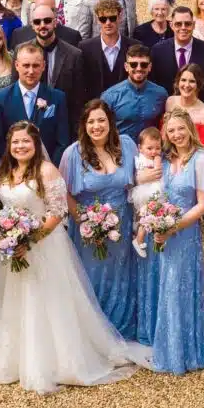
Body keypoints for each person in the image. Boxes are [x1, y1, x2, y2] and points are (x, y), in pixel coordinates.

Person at [0, 121, 152, 394]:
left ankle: (56, 362)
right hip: (15, 249)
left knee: (46, 302)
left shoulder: (47, 171)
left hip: (44, 245)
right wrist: (5, 236)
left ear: (36, 144)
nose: (20, 146)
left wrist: (29, 239)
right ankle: (15, 361)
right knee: (16, 301)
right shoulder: (6, 171)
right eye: (15, 142)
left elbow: (58, 212)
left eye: (26, 141)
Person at [59, 100, 140, 339]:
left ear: (110, 122)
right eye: (91, 121)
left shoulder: (127, 145)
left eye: (101, 120)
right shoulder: (73, 153)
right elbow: (63, 193)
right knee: (91, 279)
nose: (97, 126)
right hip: (87, 229)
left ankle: (121, 332)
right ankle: (93, 337)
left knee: (122, 277)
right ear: (84, 125)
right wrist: (86, 222)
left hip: (122, 225)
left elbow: (138, 181)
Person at [149, 107, 204, 374]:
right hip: (164, 234)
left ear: (190, 128)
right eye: (171, 130)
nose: (177, 135)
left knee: (182, 286)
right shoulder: (166, 160)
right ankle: (168, 349)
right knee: (166, 287)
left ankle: (187, 352)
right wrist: (154, 221)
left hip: (184, 234)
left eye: (181, 129)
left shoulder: (201, 158)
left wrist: (173, 227)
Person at [0, 44, 70, 163]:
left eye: (36, 66)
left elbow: (62, 141)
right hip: (13, 170)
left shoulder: (58, 97)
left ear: (43, 66)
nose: (31, 71)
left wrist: (49, 167)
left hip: (47, 169)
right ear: (16, 65)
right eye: (26, 65)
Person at [19, 0, 86, 133]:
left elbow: (79, 100)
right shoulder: (20, 51)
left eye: (47, 21)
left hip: (62, 126)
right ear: (32, 25)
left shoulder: (74, 55)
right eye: (37, 22)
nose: (42, 25)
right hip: (27, 127)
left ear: (55, 22)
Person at [150, 6, 204, 104]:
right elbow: (153, 84)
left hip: (199, 110)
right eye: (178, 24)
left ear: (193, 25)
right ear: (171, 25)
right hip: (167, 109)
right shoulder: (158, 51)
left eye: (187, 24)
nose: (183, 27)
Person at [101, 44, 168, 142]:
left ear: (150, 67)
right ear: (126, 67)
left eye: (144, 64)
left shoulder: (161, 94)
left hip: (152, 153)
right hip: (121, 152)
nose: (139, 68)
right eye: (133, 64)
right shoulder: (110, 96)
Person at [79, 0, 131, 99]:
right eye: (103, 19)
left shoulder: (133, 46)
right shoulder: (84, 48)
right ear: (97, 20)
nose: (108, 23)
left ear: (119, 17)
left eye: (112, 18)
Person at [130, 127, 164, 257]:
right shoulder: (139, 159)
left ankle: (140, 239)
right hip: (145, 192)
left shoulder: (155, 159)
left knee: (148, 217)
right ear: (140, 148)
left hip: (154, 190)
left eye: (157, 148)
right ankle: (138, 240)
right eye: (149, 148)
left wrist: (157, 158)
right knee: (144, 215)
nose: (154, 152)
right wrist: (157, 160)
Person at [164, 63, 204, 146]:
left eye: (192, 81)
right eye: (183, 80)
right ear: (178, 82)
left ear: (198, 85)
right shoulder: (170, 102)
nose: (187, 85)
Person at [9, 0, 83, 47]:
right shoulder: (19, 35)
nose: (44, 13)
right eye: (40, 9)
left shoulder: (72, 37)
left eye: (48, 10)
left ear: (56, 12)